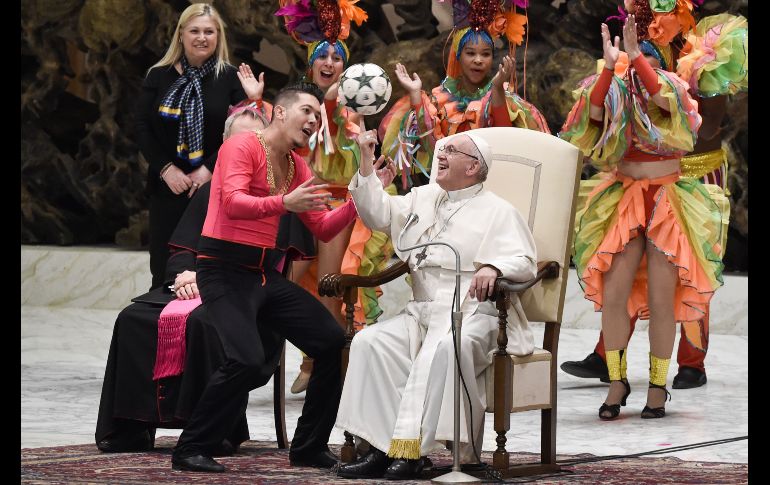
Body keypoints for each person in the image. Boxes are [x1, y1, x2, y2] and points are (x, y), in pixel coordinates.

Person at [170, 82, 361, 473]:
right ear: (280, 112)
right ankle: (190, 448)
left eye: (317, 115)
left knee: (330, 341)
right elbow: (232, 202)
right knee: (246, 359)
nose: (314, 120)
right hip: (221, 269)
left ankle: (308, 447)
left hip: (260, 273)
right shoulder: (241, 146)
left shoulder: (297, 165)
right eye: (307, 111)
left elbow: (323, 227)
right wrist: (285, 202)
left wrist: (360, 197)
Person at [560, 6, 747, 390]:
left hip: (694, 174)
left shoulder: (705, 55)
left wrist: (673, 98)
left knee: (692, 269)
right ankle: (607, 357)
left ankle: (691, 363)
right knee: (623, 270)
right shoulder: (633, 58)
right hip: (638, 182)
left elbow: (705, 128)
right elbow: (598, 120)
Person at [335, 131, 538, 480]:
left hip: (473, 312)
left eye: (452, 151)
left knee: (449, 347)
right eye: (442, 149)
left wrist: (493, 267)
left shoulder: (498, 211)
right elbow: (377, 214)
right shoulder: (423, 197)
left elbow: (526, 261)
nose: (440, 154)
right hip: (422, 311)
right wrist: (367, 164)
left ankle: (457, 456)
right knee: (370, 342)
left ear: (473, 167)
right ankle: (382, 448)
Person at [95, 107, 270, 454]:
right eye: (237, 143)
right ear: (223, 146)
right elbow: (181, 249)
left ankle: (213, 430)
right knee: (132, 319)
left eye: (253, 143)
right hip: (194, 286)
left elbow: (273, 263)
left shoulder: (273, 191)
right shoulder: (211, 190)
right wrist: (183, 276)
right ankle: (132, 427)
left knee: (205, 324)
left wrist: (208, 278)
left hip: (245, 293)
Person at [276, 0, 395, 394]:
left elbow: (332, 126)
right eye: (322, 56)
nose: (329, 62)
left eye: (337, 57)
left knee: (330, 283)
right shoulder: (295, 105)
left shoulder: (351, 110)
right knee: (288, 285)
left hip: (339, 205)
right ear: (310, 62)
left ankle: (322, 363)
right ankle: (300, 356)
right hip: (299, 201)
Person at [137, 3, 261, 290]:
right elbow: (142, 128)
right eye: (195, 31)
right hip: (167, 188)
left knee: (207, 269)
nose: (202, 38)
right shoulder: (158, 75)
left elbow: (245, 133)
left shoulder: (231, 78)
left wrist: (208, 169)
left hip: (213, 188)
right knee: (163, 270)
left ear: (218, 36)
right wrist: (166, 170)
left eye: (209, 31)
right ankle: (162, 318)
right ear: (181, 34)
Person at [379, 0, 549, 188]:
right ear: (458, 56)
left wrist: (497, 90)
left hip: (492, 187)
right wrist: (415, 95)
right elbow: (431, 147)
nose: (478, 60)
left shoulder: (500, 96)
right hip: (448, 190)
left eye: (485, 54)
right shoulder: (439, 100)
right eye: (470, 53)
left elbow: (504, 142)